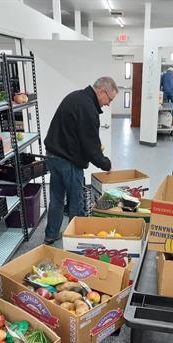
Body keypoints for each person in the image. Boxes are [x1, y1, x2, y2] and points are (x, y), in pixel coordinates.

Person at [43, 77, 118, 244]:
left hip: (53, 157)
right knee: (76, 203)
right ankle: (76, 242)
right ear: (101, 92)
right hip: (68, 162)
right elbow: (90, 146)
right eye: (109, 99)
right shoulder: (88, 108)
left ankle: (51, 234)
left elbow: (78, 137)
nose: (108, 104)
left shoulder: (76, 97)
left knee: (56, 199)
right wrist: (106, 164)